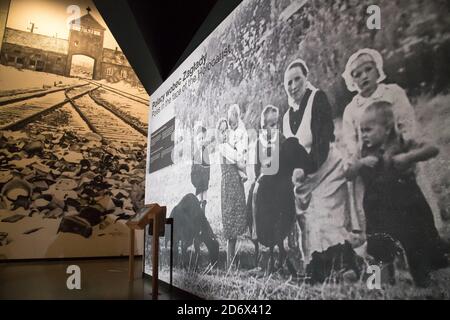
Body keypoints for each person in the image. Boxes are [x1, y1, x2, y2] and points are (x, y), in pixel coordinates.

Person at [341, 48, 445, 236]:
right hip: (372, 165)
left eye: (368, 69)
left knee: (413, 203)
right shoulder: (351, 109)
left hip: (398, 155)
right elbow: (350, 140)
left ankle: (426, 239)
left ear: (377, 70)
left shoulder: (393, 92)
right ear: (352, 80)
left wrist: (404, 149)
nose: (364, 76)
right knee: (381, 211)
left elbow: (407, 123)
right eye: (357, 74)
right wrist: (360, 159)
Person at [345, 101, 448, 287]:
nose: (364, 135)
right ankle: (380, 282)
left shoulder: (402, 142)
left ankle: (422, 278)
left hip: (407, 203)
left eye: (368, 130)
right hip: (378, 207)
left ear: (386, 129)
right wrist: (361, 164)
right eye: (361, 130)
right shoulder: (362, 151)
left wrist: (409, 157)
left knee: (416, 241)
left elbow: (433, 148)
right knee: (378, 245)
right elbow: (349, 174)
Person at [282, 58, 355, 281]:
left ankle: (345, 267)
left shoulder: (317, 99)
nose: (293, 86)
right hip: (304, 179)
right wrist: (293, 174)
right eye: (289, 83)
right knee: (308, 224)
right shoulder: (286, 117)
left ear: (306, 79)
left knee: (329, 216)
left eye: (297, 80)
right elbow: (288, 152)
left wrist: (305, 168)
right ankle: (318, 270)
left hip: (327, 168)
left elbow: (323, 140)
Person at [216, 118, 247, 268]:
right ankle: (230, 263)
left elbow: (240, 160)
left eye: (226, 130)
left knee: (236, 221)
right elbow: (238, 160)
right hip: (229, 186)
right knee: (230, 223)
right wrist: (240, 158)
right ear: (218, 134)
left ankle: (232, 261)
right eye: (221, 131)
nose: (224, 133)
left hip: (235, 184)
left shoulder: (230, 145)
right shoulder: (223, 147)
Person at [190, 124, 211, 212]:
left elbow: (208, 166)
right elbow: (193, 170)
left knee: (204, 193)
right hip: (198, 179)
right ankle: (200, 208)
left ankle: (204, 208)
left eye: (202, 138)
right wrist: (195, 180)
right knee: (199, 194)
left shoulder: (205, 151)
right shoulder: (195, 155)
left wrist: (207, 177)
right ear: (196, 141)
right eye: (199, 139)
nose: (201, 141)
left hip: (204, 177)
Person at [227, 104, 249, 183]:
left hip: (241, 146)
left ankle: (244, 174)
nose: (233, 126)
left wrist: (244, 148)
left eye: (234, 124)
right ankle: (241, 174)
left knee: (241, 159)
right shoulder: (230, 126)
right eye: (231, 125)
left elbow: (245, 136)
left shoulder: (241, 125)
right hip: (234, 146)